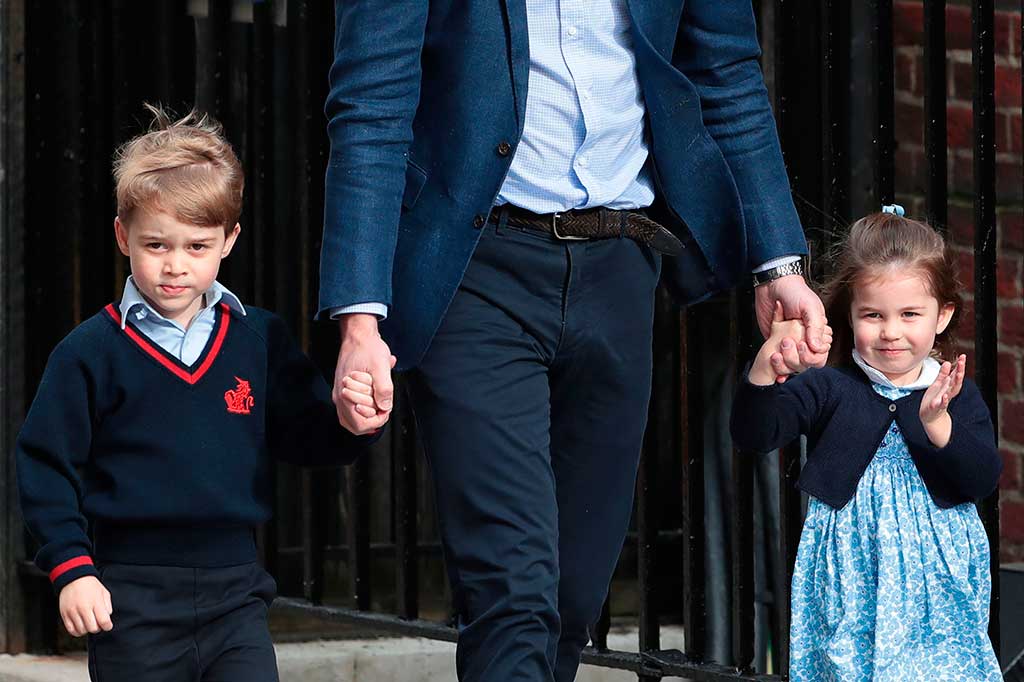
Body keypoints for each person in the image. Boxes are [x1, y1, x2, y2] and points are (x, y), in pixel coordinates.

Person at [320, 2, 830, 679]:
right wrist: (360, 322)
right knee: (513, 591)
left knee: (571, 594)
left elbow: (728, 74)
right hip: (475, 269)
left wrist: (779, 263)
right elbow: (371, 105)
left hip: (620, 265)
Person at [16, 106, 375, 682]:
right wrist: (71, 567)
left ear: (229, 239)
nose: (176, 266)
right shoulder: (88, 353)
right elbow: (46, 465)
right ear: (121, 235)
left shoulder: (259, 340)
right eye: (156, 245)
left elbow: (307, 435)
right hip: (129, 598)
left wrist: (352, 423)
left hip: (236, 593)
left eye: (197, 246)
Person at [731, 209, 1003, 680]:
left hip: (935, 578)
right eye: (873, 315)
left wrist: (938, 424)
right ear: (849, 314)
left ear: (943, 316)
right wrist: (765, 366)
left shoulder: (952, 389)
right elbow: (755, 434)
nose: (891, 331)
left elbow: (982, 477)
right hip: (850, 571)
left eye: (910, 314)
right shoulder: (828, 386)